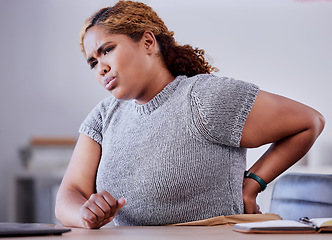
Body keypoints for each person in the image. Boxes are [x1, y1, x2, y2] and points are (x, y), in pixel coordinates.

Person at [55, 0, 325, 229]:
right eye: (92, 62)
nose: (100, 67)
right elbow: (70, 194)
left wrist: (252, 183)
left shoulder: (203, 97)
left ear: (148, 42)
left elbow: (308, 122)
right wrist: (84, 213)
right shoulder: (103, 117)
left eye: (107, 50)